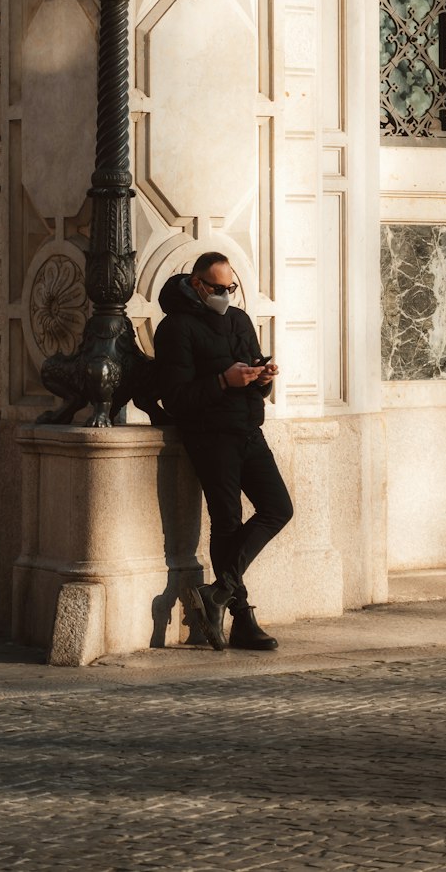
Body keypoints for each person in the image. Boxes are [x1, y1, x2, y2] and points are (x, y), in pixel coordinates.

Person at [154, 251, 293, 651]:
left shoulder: (239, 320)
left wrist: (261, 378)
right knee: (227, 522)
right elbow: (175, 398)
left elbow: (251, 376)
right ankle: (242, 618)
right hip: (210, 437)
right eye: (218, 288)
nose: (226, 295)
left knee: (278, 508)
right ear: (197, 284)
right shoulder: (175, 329)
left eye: (231, 287)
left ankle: (216, 593)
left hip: (249, 430)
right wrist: (222, 380)